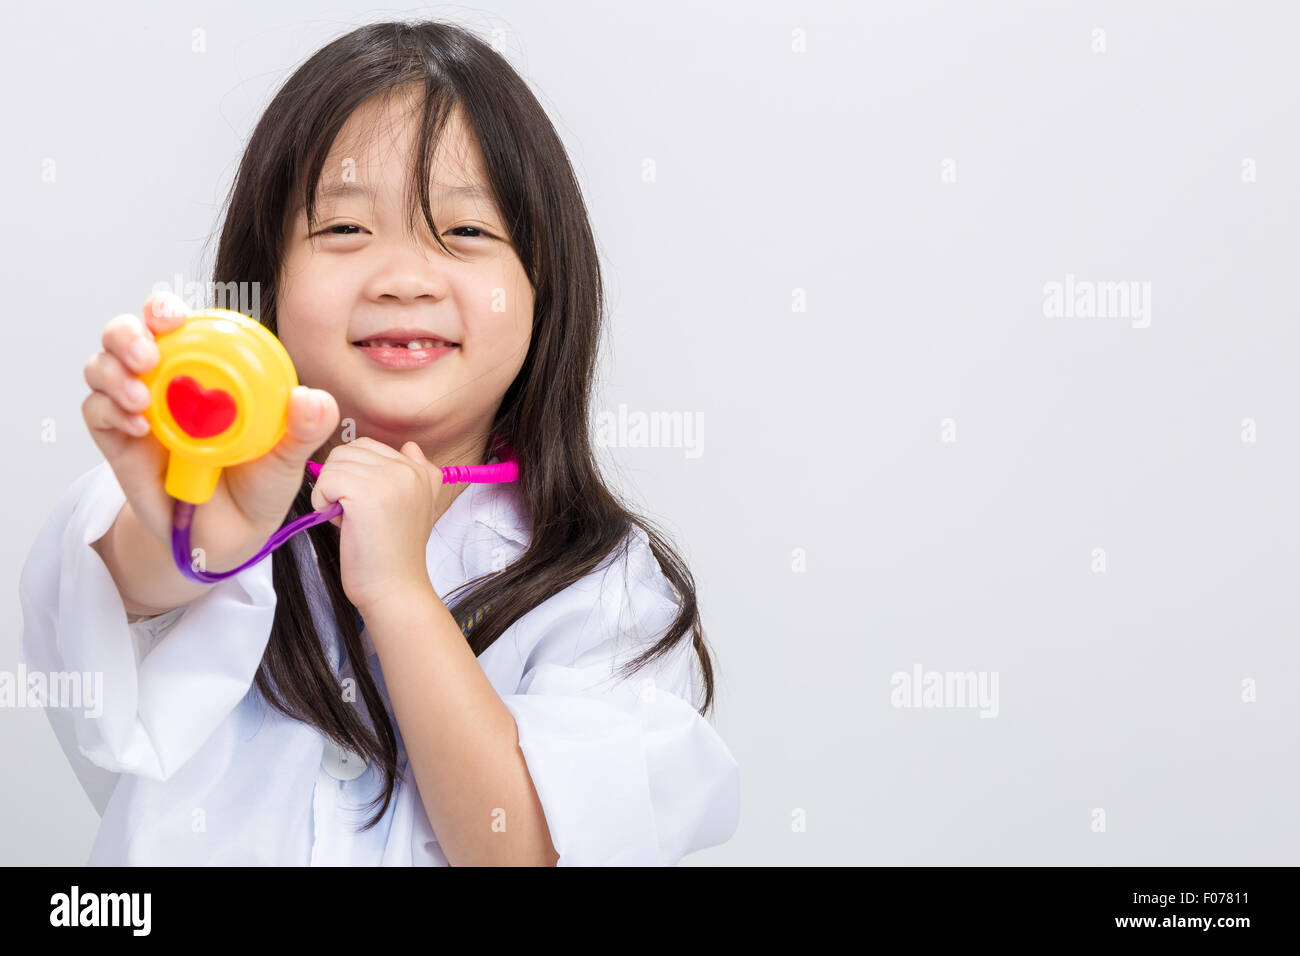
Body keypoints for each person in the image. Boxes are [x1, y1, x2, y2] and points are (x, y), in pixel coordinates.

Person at [18, 19, 739, 866]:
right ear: (268, 282)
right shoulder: (201, 489)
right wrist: (199, 529)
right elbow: (112, 598)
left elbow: (531, 849)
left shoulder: (605, 589)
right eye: (344, 231)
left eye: (466, 232)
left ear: (547, 286)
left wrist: (399, 593)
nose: (404, 275)